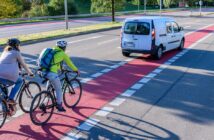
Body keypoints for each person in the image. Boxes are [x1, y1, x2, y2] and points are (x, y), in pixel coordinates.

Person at [40, 40, 80, 112]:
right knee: (58, 89)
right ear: (64, 47)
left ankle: (44, 101)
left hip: (43, 71)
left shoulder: (52, 51)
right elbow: (70, 63)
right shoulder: (62, 54)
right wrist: (76, 70)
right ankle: (59, 106)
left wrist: (61, 68)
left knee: (50, 88)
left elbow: (54, 63)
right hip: (51, 73)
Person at [0, 38, 34, 105]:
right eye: (18, 45)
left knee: (4, 87)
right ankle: (10, 99)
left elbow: (9, 64)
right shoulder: (16, 53)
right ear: (16, 45)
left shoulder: (5, 52)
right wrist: (30, 73)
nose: (19, 46)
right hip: (8, 75)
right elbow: (23, 64)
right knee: (19, 81)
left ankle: (4, 100)